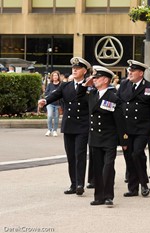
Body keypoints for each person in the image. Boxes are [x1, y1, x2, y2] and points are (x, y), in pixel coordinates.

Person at [38, 57, 91, 196]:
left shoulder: (89, 86)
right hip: (69, 125)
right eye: (73, 68)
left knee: (80, 155)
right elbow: (55, 94)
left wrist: (86, 87)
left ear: (84, 71)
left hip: (83, 125)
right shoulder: (65, 86)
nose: (74, 70)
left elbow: (88, 100)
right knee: (71, 156)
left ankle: (80, 183)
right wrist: (45, 100)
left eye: (78, 68)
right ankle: (73, 184)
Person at [82, 65, 128, 206]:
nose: (94, 80)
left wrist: (123, 140)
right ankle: (99, 197)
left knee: (108, 167)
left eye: (97, 78)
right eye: (94, 78)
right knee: (97, 167)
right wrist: (85, 84)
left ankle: (108, 196)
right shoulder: (92, 95)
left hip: (109, 138)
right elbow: (78, 95)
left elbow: (119, 121)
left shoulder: (113, 97)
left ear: (106, 80)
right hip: (95, 137)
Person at [117, 60, 150, 197]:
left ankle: (144, 183)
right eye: (129, 70)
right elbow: (117, 103)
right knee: (129, 157)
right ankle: (133, 188)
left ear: (141, 73)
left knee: (137, 154)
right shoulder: (124, 85)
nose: (129, 73)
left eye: (133, 71)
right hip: (126, 128)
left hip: (142, 128)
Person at [44, 70, 61, 137]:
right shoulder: (49, 85)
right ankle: (49, 129)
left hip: (58, 104)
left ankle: (55, 130)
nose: (55, 77)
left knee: (56, 118)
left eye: (56, 75)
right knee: (50, 116)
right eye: (54, 75)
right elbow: (46, 94)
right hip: (50, 103)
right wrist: (52, 93)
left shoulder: (61, 84)